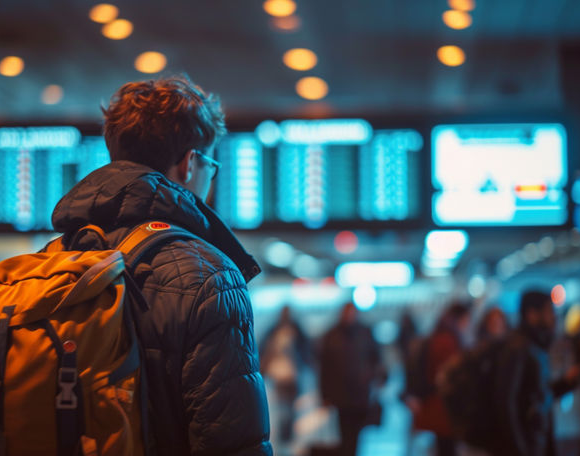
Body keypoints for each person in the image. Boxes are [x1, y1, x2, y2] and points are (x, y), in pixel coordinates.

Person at [48, 76, 272, 455]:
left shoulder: (52, 258)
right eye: (211, 166)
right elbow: (232, 442)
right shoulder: (210, 276)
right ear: (189, 164)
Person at [493, 290, 580, 456]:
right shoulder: (518, 348)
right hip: (530, 445)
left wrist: (567, 383)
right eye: (548, 311)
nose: (553, 317)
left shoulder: (533, 345)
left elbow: (538, 396)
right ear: (532, 314)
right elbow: (506, 402)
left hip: (537, 441)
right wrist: (520, 449)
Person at [319, 302, 384, 456]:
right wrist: (324, 394)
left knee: (355, 433)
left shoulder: (365, 333)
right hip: (341, 394)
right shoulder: (332, 335)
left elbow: (376, 359)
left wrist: (376, 378)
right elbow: (324, 367)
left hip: (361, 394)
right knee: (345, 432)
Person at [411, 301, 471, 456]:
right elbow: (448, 374)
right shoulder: (447, 340)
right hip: (444, 404)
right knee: (446, 446)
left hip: (439, 402)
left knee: (444, 445)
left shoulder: (441, 334)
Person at [259, 305, 313, 443]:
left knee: (290, 407)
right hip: (279, 376)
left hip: (292, 375)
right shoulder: (274, 331)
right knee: (283, 406)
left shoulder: (296, 331)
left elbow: (306, 350)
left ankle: (287, 435)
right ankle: (285, 436)